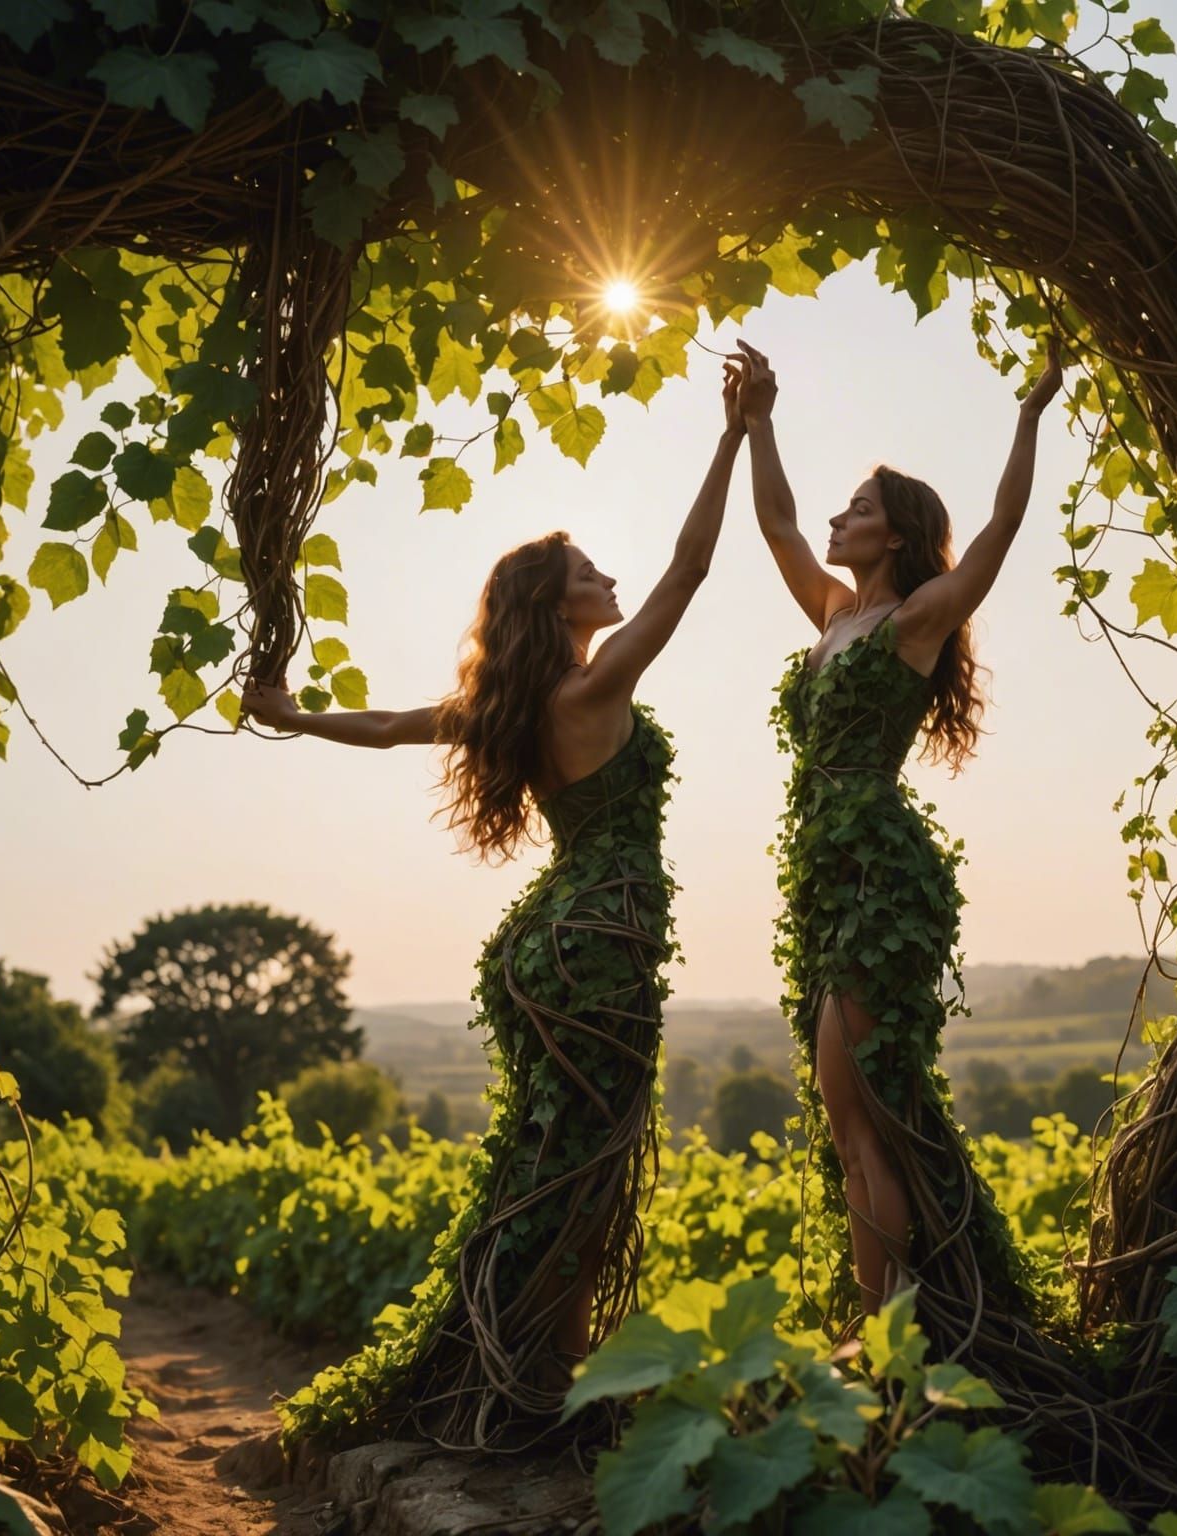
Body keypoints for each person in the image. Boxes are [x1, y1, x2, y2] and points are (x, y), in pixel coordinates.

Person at [244, 359, 746, 1450]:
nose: (611, 581)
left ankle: (512, 1371)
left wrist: (288, 712)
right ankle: (535, 1390)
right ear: (560, 604)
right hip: (601, 945)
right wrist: (733, 438)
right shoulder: (594, 683)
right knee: (580, 1173)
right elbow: (693, 565)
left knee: (549, 1161)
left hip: (544, 947)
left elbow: (382, 728)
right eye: (590, 572)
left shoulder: (511, 704)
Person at [738, 335, 1065, 1361]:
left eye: (861, 509)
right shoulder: (833, 612)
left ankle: (883, 1341)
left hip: (881, 877)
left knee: (861, 1114)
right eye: (845, 507)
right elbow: (780, 522)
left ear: (899, 534)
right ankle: (901, 1321)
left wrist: (1029, 412)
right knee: (854, 1120)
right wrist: (760, 423)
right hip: (826, 877)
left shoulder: (918, 619)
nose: (838, 519)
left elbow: (1004, 527)